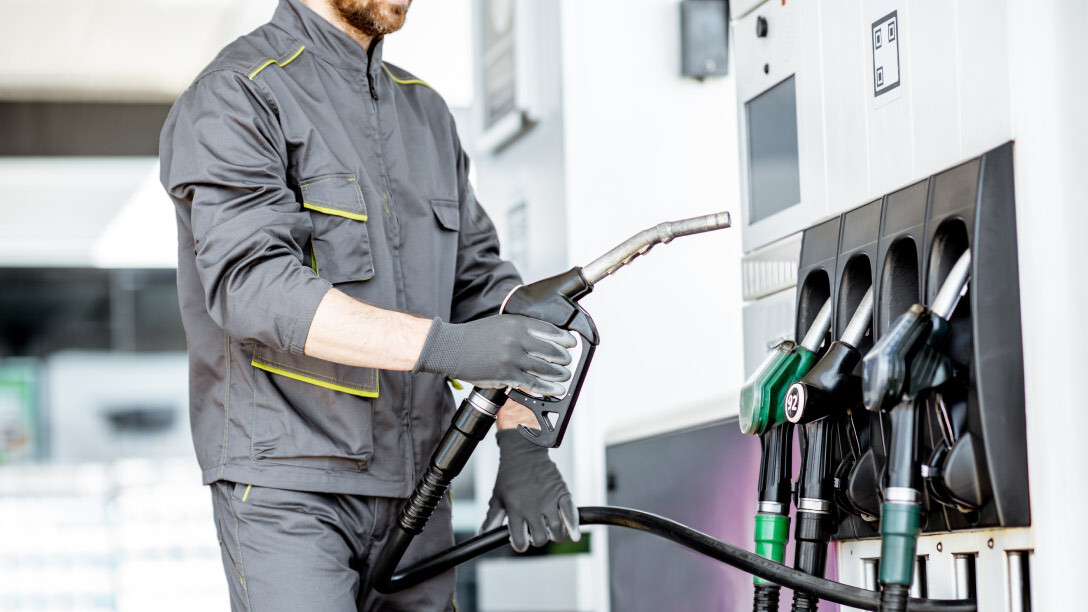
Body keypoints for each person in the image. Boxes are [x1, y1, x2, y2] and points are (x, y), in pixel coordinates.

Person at [158, 0, 580, 610]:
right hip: (289, 492)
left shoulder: (426, 113)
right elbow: (253, 285)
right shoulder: (237, 93)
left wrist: (522, 439)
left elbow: (483, 289)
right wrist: (448, 347)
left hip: (421, 488)